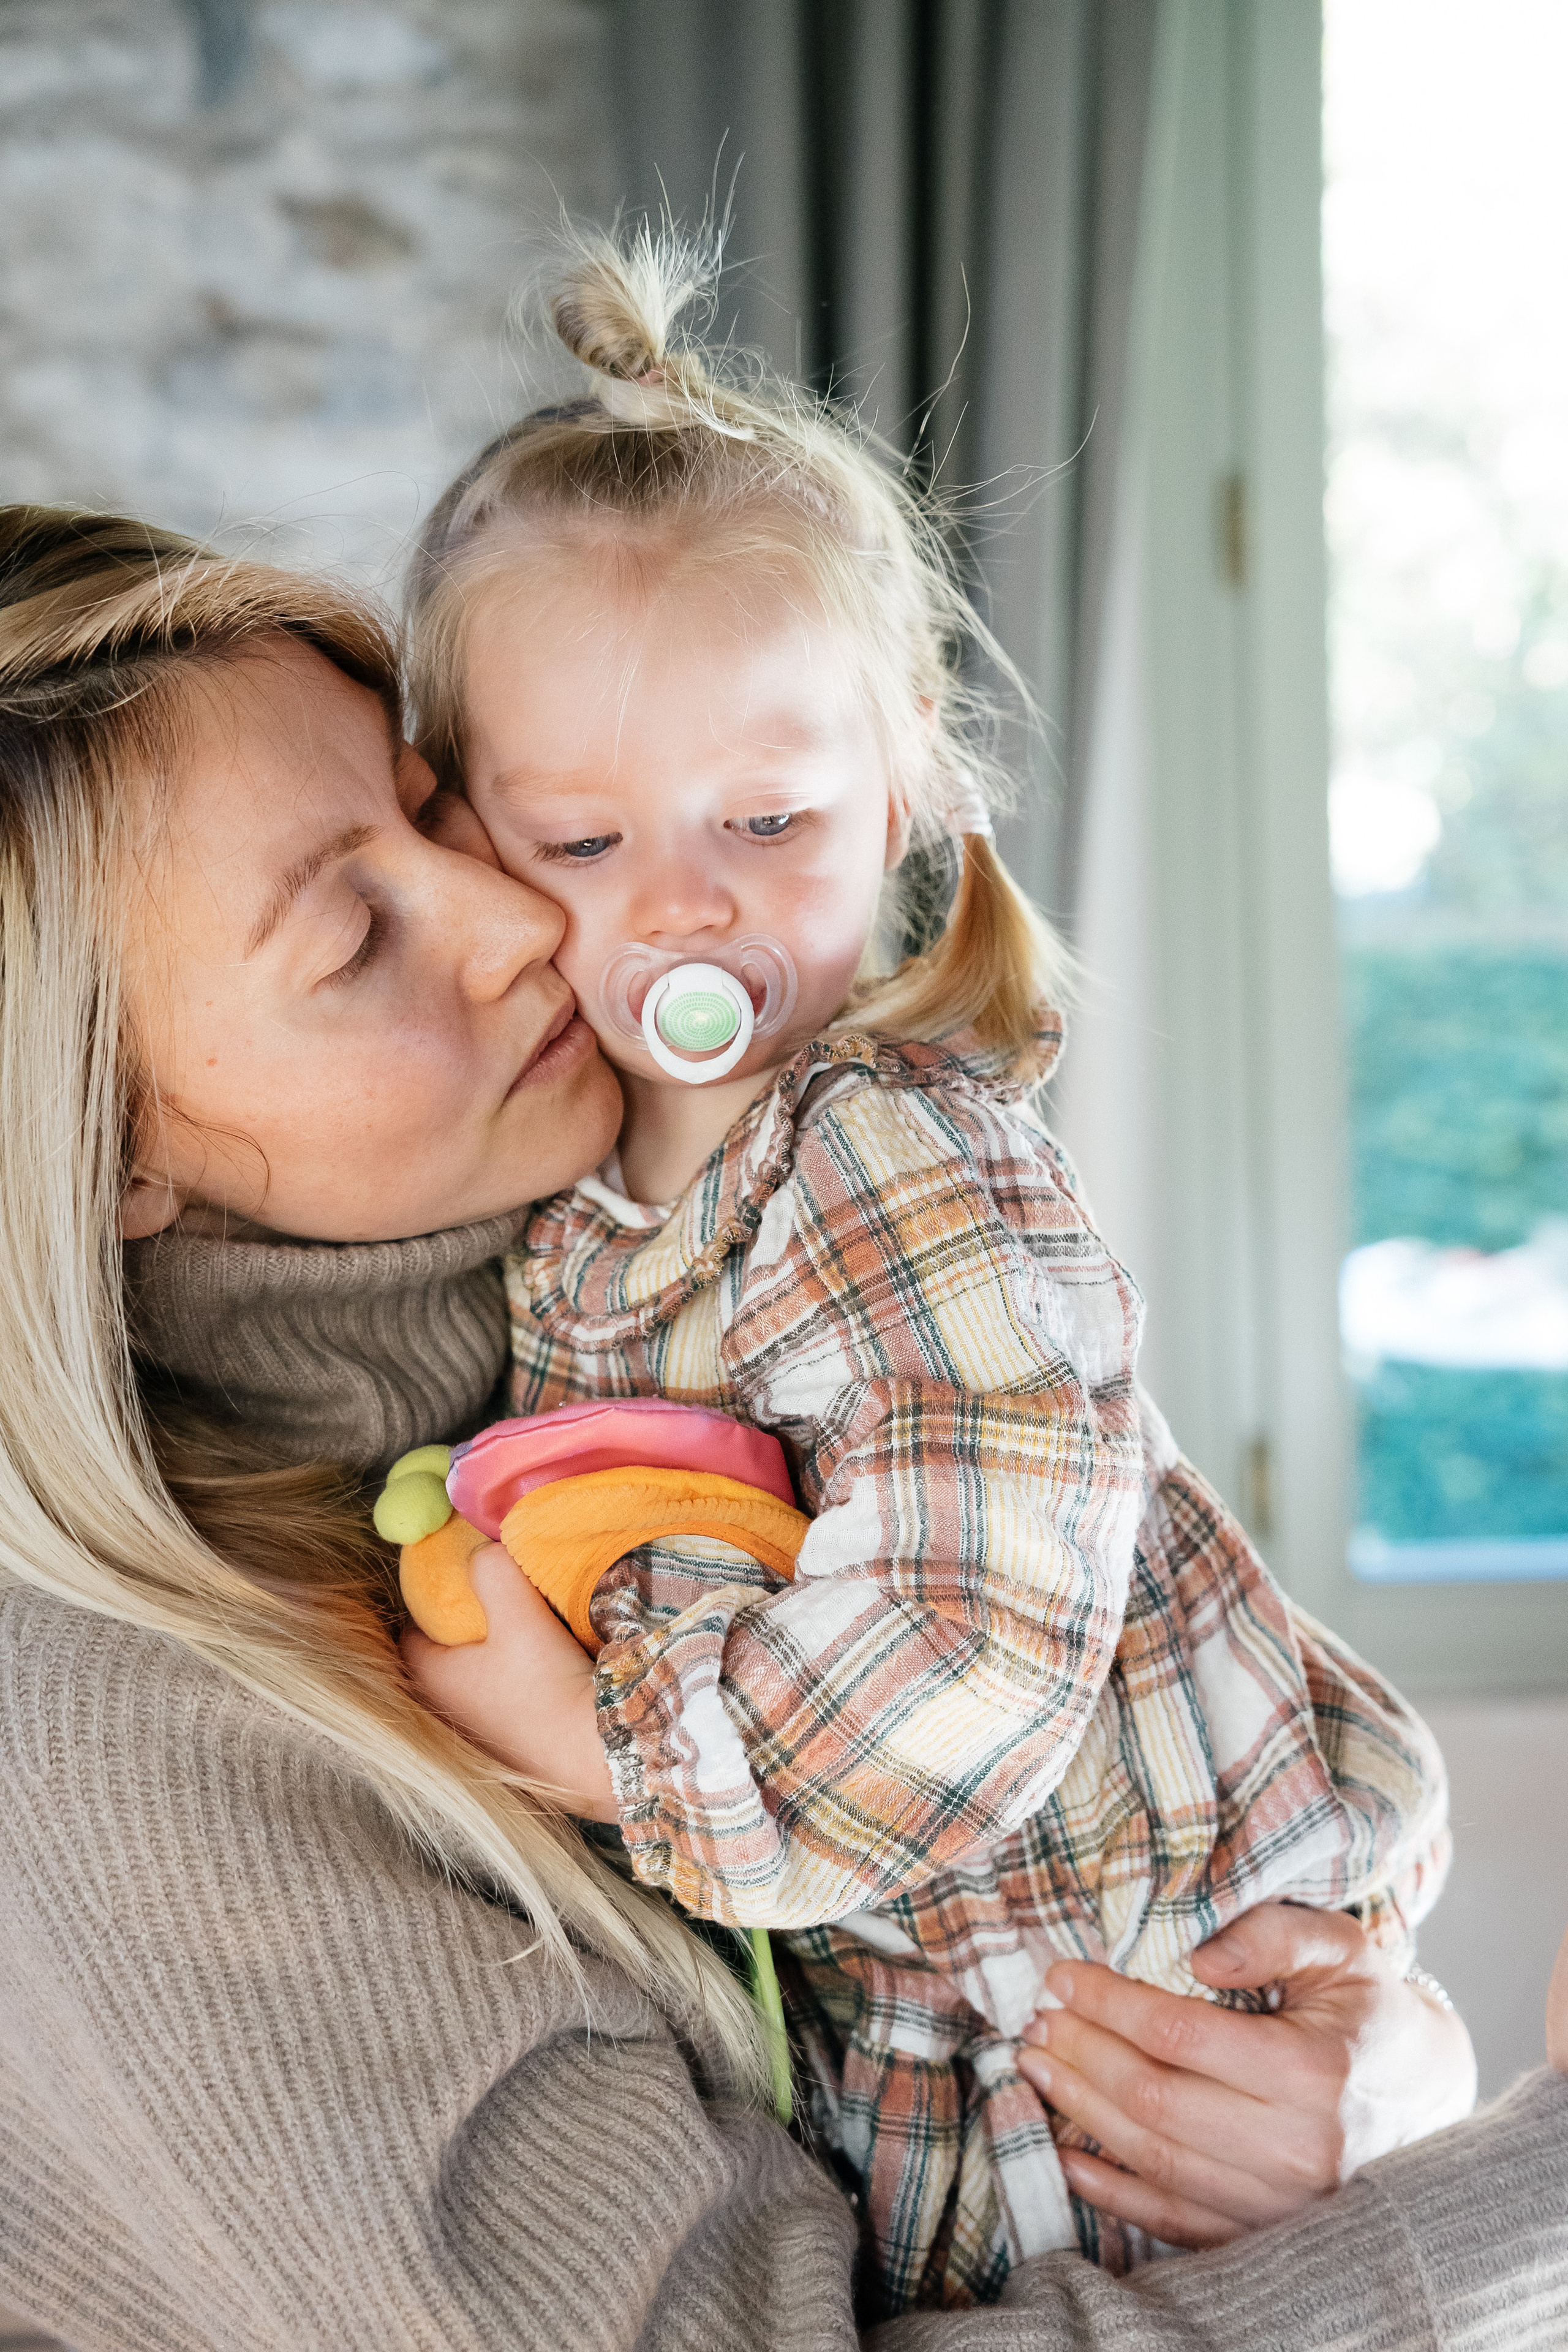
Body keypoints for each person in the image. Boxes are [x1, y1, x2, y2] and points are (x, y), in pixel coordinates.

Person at [0, 502, 1488, 2352]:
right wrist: (1504, 2205)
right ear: (108, 1146)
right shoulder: (108, 1742)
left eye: (435, 807)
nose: (519, 917)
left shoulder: (676, 1318)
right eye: (355, 929)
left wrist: (1370, 2073)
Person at [397, 226, 1457, 2310]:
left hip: (1132, 2014)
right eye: (584, 846)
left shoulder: (890, 1154)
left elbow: (972, 1622)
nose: (685, 913)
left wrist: (616, 1756)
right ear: (456, 829)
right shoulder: (590, 1213)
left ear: (912, 789)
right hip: (946, 2034)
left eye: (768, 820)